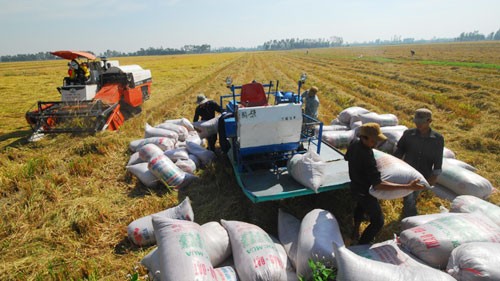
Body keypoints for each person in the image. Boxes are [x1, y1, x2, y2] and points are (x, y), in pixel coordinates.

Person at [345, 123, 424, 244]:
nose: (376, 144)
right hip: (366, 192)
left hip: (355, 186)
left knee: (360, 207)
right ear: (364, 137)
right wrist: (408, 186)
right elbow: (378, 185)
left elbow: (347, 157)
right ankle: (361, 245)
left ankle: (355, 230)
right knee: (378, 221)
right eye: (373, 141)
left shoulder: (354, 143)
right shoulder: (367, 155)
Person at [394, 108, 444, 218]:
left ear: (429, 121)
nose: (418, 125)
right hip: (407, 171)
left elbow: (438, 158)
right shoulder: (408, 134)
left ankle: (407, 216)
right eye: (416, 122)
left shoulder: (437, 139)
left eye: (421, 123)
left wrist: (435, 175)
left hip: (423, 172)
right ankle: (410, 217)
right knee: (409, 197)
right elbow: (399, 151)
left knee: (412, 196)